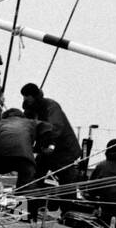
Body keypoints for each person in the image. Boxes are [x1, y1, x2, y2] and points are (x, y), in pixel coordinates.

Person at [20, 82, 84, 213]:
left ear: (33, 96)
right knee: (35, 176)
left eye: (27, 97)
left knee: (67, 181)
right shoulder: (31, 110)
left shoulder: (51, 106)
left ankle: (68, 213)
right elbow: (29, 127)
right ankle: (32, 208)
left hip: (63, 150)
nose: (26, 100)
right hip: (46, 150)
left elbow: (55, 127)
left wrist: (48, 144)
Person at [0, 108, 51, 219]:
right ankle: (24, 215)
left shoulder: (0, 123)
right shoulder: (29, 122)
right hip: (24, 157)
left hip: (0, 155)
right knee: (26, 183)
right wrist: (42, 146)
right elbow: (48, 127)